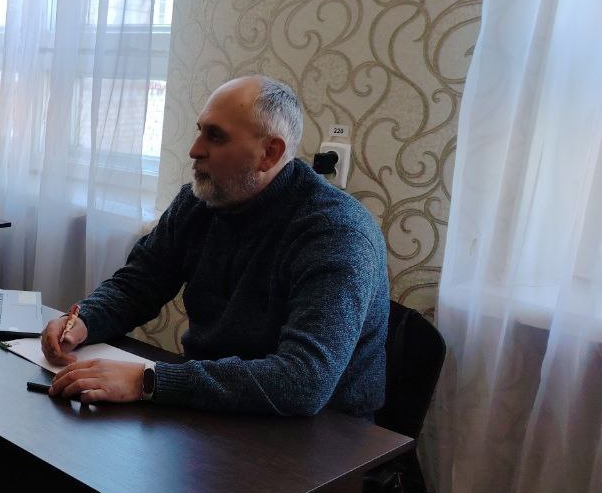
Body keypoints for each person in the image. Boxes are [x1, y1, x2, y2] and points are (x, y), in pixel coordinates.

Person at [42, 75, 388, 418]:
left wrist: (147, 380)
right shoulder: (199, 201)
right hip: (213, 407)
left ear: (270, 153)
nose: (195, 150)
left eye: (216, 136)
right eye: (200, 131)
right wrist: (85, 320)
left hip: (322, 434)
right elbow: (140, 283)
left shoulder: (336, 233)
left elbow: (303, 381)